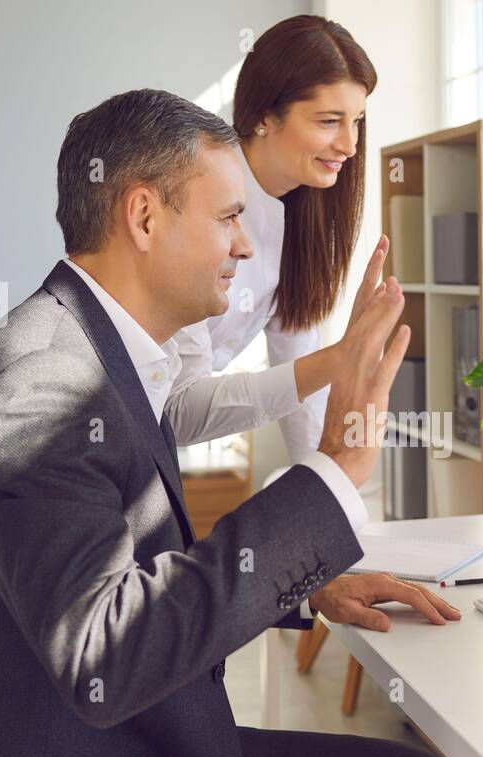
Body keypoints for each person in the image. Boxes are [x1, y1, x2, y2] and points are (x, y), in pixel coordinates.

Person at [0, 89, 462, 757]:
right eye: (229, 218)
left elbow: (133, 578)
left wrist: (310, 584)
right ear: (143, 217)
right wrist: (335, 468)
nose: (245, 248)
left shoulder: (99, 354)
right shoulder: (40, 387)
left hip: (131, 756)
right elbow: (106, 651)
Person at [164, 14, 384, 462]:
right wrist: (341, 356)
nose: (350, 144)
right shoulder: (195, 202)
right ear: (265, 117)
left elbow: (298, 385)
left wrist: (327, 497)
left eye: (357, 121)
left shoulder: (303, 216)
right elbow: (178, 412)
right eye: (328, 121)